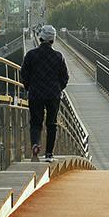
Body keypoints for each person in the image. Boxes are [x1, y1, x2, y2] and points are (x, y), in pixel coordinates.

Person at [20, 24, 69, 162]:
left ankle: (35, 144)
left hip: (36, 94)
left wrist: (29, 86)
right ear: (53, 39)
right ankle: (49, 154)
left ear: (40, 37)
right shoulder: (58, 56)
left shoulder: (31, 55)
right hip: (53, 95)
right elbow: (65, 77)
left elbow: (24, 73)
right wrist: (59, 88)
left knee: (36, 122)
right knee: (52, 123)